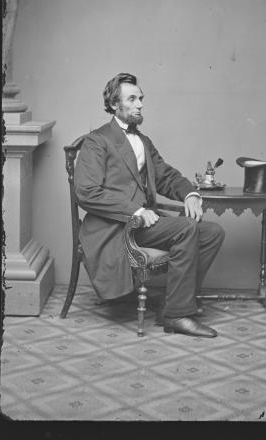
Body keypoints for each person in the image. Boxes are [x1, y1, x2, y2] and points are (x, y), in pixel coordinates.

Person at [74, 73, 225, 337]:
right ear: (113, 105)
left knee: (212, 233)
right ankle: (178, 317)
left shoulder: (143, 141)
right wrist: (135, 210)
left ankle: (173, 303)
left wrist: (190, 194)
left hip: (144, 221)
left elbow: (166, 176)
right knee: (187, 228)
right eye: (131, 99)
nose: (140, 104)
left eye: (140, 98)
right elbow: (86, 192)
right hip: (116, 226)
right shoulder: (97, 140)